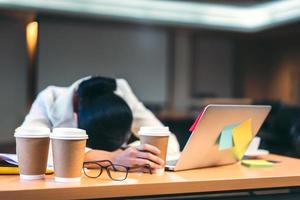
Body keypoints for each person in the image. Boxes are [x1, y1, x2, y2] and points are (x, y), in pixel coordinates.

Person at [21, 76, 180, 172]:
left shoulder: (121, 93)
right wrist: (113, 158)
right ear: (75, 120)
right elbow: (29, 150)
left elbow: (169, 143)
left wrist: (135, 154)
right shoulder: (49, 99)